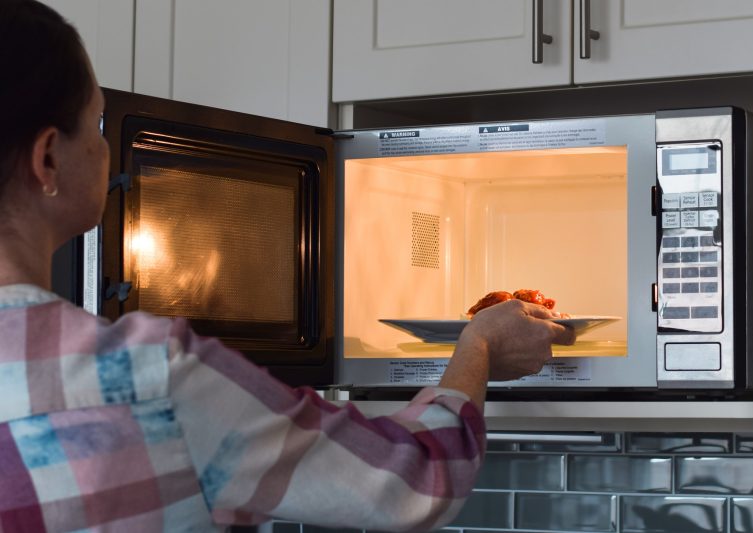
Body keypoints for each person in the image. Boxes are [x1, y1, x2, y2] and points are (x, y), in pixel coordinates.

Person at [0, 1, 575, 531]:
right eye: (98, 127)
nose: (106, 152)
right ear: (48, 157)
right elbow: (414, 481)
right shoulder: (147, 378)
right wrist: (477, 347)